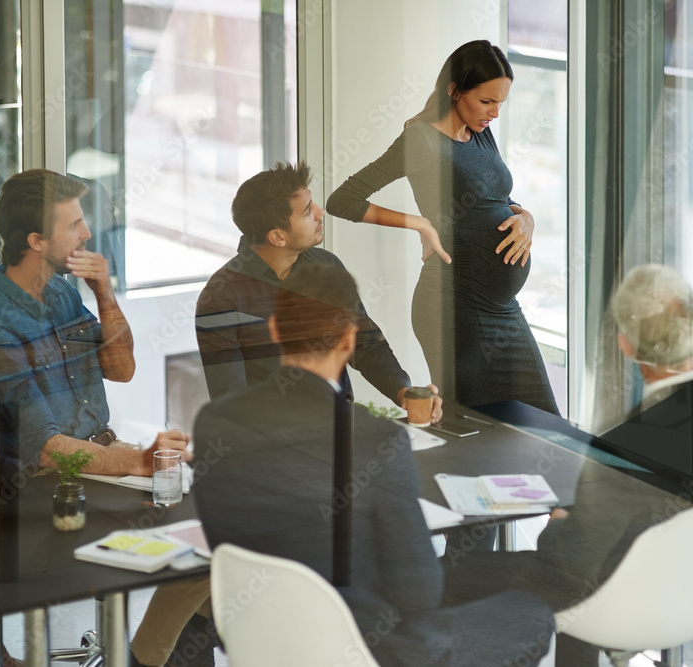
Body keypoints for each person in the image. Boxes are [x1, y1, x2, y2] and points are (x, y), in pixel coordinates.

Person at [193, 263, 555, 666]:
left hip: (261, 640)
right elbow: (419, 590)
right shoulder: (376, 441)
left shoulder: (215, 423)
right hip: (374, 651)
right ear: (349, 339)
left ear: (275, 331)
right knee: (531, 613)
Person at [440, 264, 693, 664]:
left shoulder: (623, 447)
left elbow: (568, 561)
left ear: (625, 344)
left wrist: (560, 522)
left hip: (618, 599)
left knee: (437, 575)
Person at [0, 169, 202, 667]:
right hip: (55, 485)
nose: (86, 234)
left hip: (104, 459)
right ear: (37, 241)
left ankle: (147, 657)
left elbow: (121, 369)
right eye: (74, 224)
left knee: (210, 540)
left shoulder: (59, 291)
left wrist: (103, 290)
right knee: (194, 553)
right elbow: (49, 450)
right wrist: (138, 461)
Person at [326, 39, 558, 415]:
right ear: (454, 90)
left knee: (544, 424)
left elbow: (493, 199)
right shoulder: (421, 140)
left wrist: (526, 217)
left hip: (502, 308)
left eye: (501, 102)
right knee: (478, 429)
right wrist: (420, 223)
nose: (495, 113)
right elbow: (343, 200)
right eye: (487, 101)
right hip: (455, 307)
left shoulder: (479, 131)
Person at [195, 161, 441, 422]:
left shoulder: (325, 265)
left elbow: (365, 344)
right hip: (274, 445)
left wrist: (403, 392)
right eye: (306, 211)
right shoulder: (221, 297)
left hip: (338, 430)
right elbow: (232, 402)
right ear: (277, 237)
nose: (320, 212)